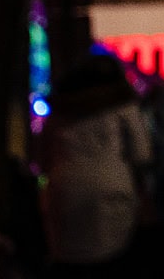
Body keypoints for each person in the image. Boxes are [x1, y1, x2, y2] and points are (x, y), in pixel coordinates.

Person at [42, 53, 152, 278]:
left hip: (64, 192)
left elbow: (43, 158)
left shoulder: (60, 112)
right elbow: (142, 155)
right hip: (112, 193)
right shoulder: (124, 109)